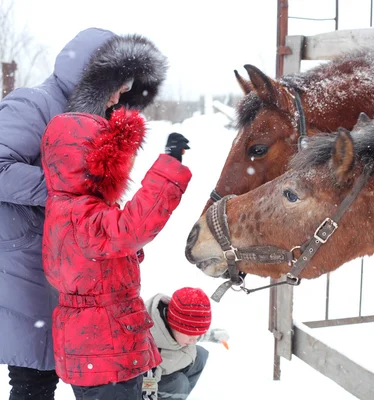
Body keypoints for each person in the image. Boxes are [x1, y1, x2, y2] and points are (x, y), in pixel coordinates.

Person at [40, 33, 192, 399]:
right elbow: (133, 227)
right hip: (105, 354)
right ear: (87, 163)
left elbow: (96, 260)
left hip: (96, 353)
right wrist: (169, 166)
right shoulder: (82, 213)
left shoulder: (63, 208)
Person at [0, 27, 116, 399]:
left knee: (55, 370)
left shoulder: (88, 118)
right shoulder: (32, 105)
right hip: (24, 260)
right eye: (117, 86)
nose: (119, 97)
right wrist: (65, 192)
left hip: (62, 263)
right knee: (34, 376)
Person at [143, 287, 230, 400]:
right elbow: (147, 388)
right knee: (179, 383)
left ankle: (180, 396)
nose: (194, 340)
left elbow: (192, 331)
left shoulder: (177, 327)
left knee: (201, 354)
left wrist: (212, 336)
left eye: (197, 335)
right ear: (173, 325)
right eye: (190, 336)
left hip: (172, 362)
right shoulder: (149, 350)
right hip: (152, 380)